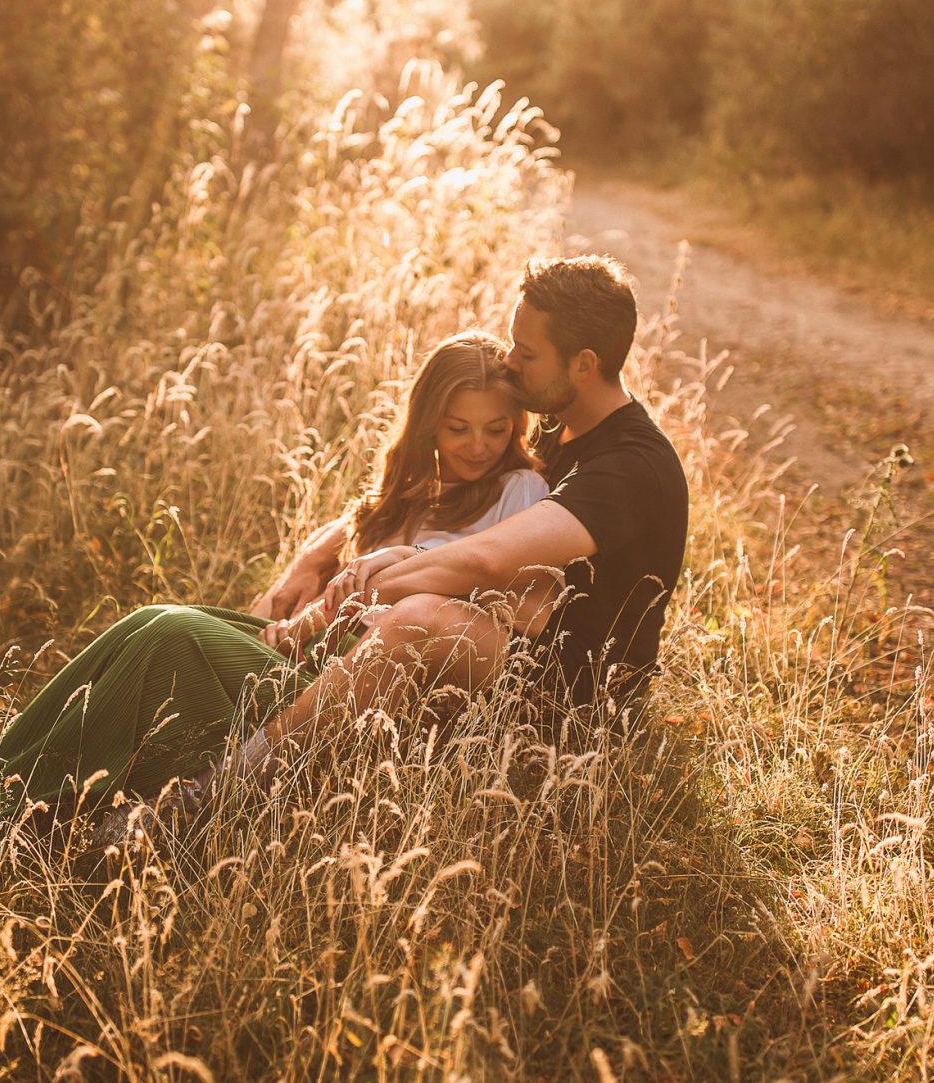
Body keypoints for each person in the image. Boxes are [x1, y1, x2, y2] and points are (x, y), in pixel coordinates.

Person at [0, 331, 549, 876]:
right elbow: (353, 533)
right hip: (302, 650)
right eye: (459, 428)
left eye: (495, 428)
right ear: (430, 422)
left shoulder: (519, 490)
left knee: (172, 633)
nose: (478, 446)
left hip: (342, 686)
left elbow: (515, 594)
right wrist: (324, 558)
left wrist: (407, 566)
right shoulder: (412, 486)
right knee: (148, 622)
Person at [231, 253, 689, 763]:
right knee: (292, 605)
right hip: (501, 641)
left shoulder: (631, 467)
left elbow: (483, 561)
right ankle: (231, 702)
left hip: (574, 694)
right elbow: (429, 493)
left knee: (419, 617)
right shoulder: (557, 425)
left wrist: (354, 588)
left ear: (583, 364)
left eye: (527, 352)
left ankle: (224, 786)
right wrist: (318, 557)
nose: (510, 360)